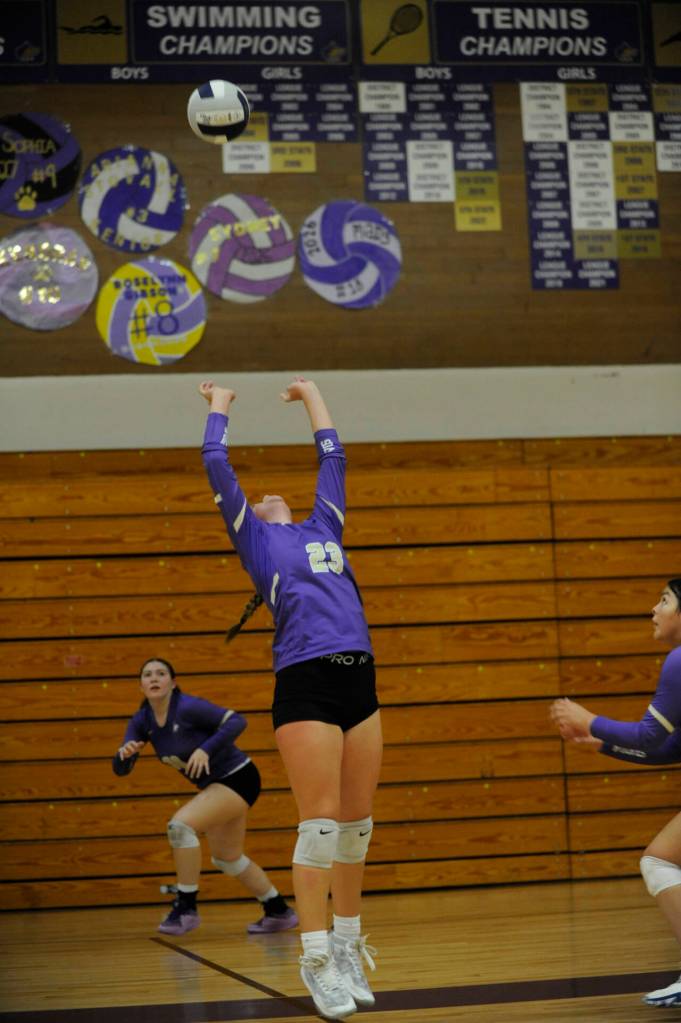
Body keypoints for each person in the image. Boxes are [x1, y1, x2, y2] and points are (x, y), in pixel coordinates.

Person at [199, 377, 383, 1020]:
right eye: (264, 495)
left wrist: (311, 395)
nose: (273, 493)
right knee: (322, 827)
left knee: (357, 831)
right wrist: (220, 408)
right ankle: (314, 958)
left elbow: (334, 456)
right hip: (305, 682)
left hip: (360, 677)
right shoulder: (257, 539)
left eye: (281, 493)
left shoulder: (324, 521)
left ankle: (349, 944)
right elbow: (216, 464)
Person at [550, 577, 681, 1008]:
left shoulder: (679, 661)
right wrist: (603, 743)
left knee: (659, 860)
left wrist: (589, 720)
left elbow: (648, 735)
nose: (654, 609)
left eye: (664, 600)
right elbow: (667, 750)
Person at [113, 656, 298, 937]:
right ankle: (278, 910)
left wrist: (206, 749)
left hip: (238, 777)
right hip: (218, 786)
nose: (154, 678)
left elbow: (236, 721)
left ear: (173, 683)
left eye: (161, 673)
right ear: (141, 685)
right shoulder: (142, 720)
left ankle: (186, 907)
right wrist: (124, 756)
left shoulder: (187, 707)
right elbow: (121, 768)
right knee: (228, 859)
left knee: (180, 827)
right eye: (147, 674)